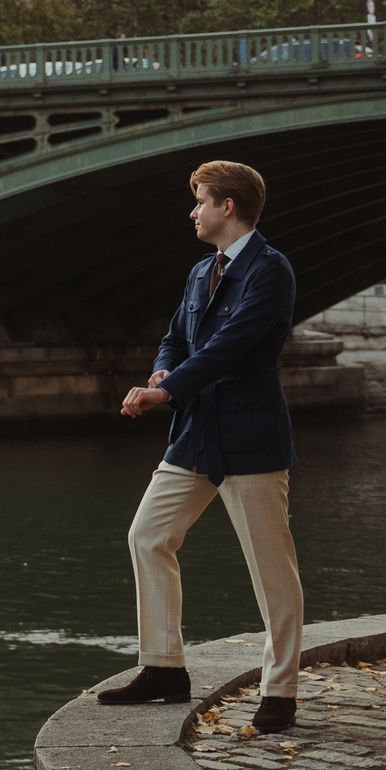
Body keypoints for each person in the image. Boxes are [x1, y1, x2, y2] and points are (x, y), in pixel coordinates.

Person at [98, 159, 304, 733]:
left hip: (249, 435)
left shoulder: (270, 271)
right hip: (196, 432)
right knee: (148, 536)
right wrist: (163, 371)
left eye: (200, 201)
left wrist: (165, 392)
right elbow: (176, 338)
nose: (193, 212)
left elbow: (229, 348)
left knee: (271, 568)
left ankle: (280, 691)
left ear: (227, 207)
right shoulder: (199, 273)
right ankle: (164, 667)